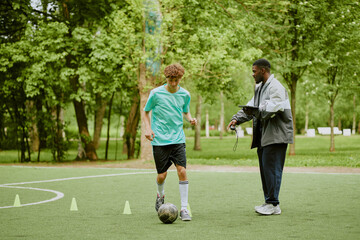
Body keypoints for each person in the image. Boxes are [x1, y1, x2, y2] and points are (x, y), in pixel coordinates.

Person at [227, 59, 293, 215]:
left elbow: (272, 108)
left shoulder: (276, 87)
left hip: (277, 134)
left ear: (263, 71)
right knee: (265, 169)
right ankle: (269, 202)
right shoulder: (260, 88)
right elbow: (251, 106)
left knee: (273, 169)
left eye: (254, 71)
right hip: (265, 135)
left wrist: (256, 110)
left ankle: (273, 204)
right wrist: (237, 118)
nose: (252, 74)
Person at [143, 63, 197, 221]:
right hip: (159, 139)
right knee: (162, 175)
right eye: (170, 79)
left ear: (181, 78)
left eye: (176, 79)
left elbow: (185, 110)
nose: (173, 82)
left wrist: (190, 119)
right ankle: (160, 195)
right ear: (166, 78)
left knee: (182, 171)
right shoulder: (156, 93)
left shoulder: (185, 94)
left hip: (178, 139)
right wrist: (148, 129)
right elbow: (146, 112)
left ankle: (184, 209)